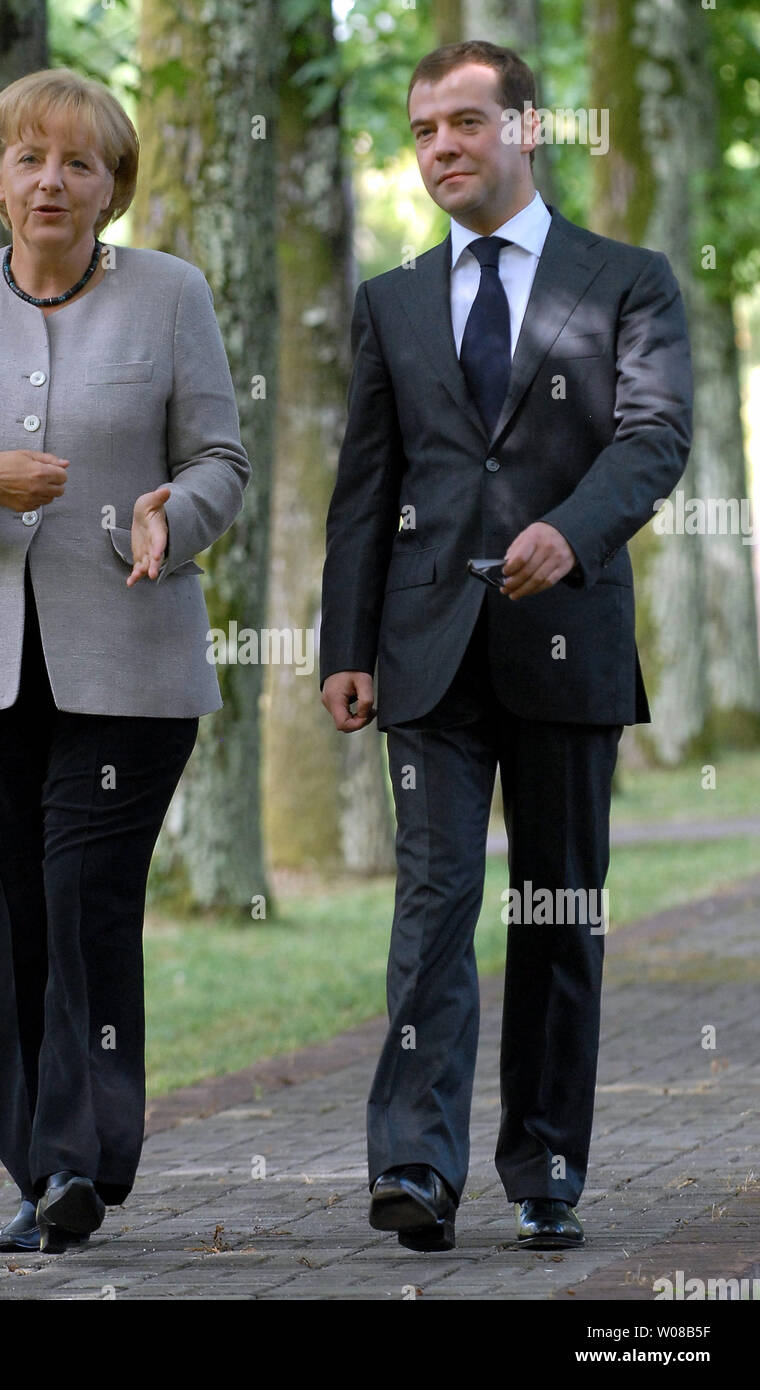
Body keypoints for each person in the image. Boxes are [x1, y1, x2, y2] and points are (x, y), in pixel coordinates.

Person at [0, 69, 249, 1253]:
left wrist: (169, 516)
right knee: (8, 911)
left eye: (80, 163)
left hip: (127, 663)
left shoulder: (171, 295)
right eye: (29, 159)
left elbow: (222, 461)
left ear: (111, 188)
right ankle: (35, 1166)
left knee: (82, 899)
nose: (52, 181)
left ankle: (81, 1158)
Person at [319, 40, 692, 1252]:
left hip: (567, 638)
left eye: (464, 124)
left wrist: (570, 535)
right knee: (431, 908)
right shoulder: (392, 299)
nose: (440, 149)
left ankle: (546, 1165)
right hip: (424, 649)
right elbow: (364, 488)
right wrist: (345, 643)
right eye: (423, 131)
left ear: (527, 129)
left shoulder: (628, 280)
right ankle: (414, 1169)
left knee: (554, 909)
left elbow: (652, 438)